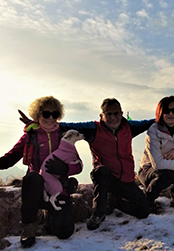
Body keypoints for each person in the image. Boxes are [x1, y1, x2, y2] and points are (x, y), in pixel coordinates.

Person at [20, 98, 154, 230]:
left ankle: (113, 201)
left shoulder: (129, 127)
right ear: (101, 115)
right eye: (108, 114)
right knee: (102, 171)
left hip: (126, 180)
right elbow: (62, 126)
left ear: (121, 113)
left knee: (143, 211)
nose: (113, 117)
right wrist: (37, 123)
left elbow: (152, 122)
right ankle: (98, 214)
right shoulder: (93, 128)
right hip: (104, 178)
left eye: (116, 113)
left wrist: (168, 117)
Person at [0, 96, 82, 248]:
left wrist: (66, 169)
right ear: (38, 115)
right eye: (46, 114)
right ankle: (29, 227)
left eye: (55, 114)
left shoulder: (65, 136)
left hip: (58, 189)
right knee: (33, 178)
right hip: (37, 190)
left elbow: (79, 165)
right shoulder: (30, 136)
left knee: (64, 233)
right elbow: (8, 159)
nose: (50, 118)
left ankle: (50, 218)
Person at [138, 95, 174, 213]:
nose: (171, 114)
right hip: (148, 171)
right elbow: (158, 165)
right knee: (167, 175)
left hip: (170, 166)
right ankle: (148, 199)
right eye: (166, 111)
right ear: (160, 112)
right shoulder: (153, 131)